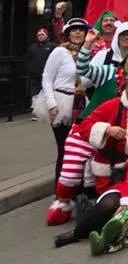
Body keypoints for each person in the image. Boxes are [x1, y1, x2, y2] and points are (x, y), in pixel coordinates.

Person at [46, 29, 128, 226]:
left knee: (103, 178)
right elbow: (83, 70)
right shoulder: (109, 72)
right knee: (71, 174)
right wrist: (87, 45)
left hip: (112, 141)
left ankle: (98, 209)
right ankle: (63, 203)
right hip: (85, 131)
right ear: (124, 62)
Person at [38, 18, 89, 179]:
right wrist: (51, 104)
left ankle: (75, 188)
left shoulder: (87, 54)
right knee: (65, 148)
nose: (78, 33)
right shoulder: (60, 52)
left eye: (81, 30)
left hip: (81, 103)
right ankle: (61, 191)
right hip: (61, 103)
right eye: (74, 30)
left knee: (79, 149)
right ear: (67, 34)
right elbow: (46, 77)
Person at [27, 27, 55, 98]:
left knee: (47, 93)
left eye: (42, 35)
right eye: (39, 35)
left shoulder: (52, 46)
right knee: (34, 94)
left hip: (48, 75)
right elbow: (28, 58)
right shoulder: (33, 47)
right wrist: (30, 69)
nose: (40, 36)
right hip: (35, 76)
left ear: (47, 35)